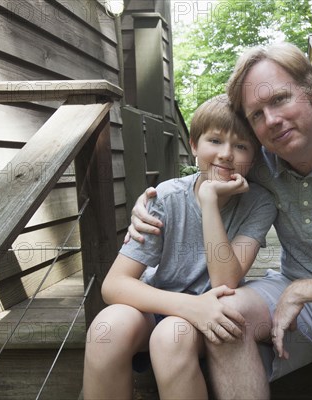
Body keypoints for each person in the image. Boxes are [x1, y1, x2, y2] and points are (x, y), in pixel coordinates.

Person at [128, 42, 312, 399]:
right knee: (226, 312)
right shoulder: (259, 161)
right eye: (256, 114)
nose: (272, 121)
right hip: (289, 288)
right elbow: (206, 173)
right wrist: (150, 201)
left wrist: (303, 291)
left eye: (280, 99)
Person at [83, 94, 277, 399]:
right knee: (106, 329)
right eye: (215, 140)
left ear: (254, 157)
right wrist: (189, 306)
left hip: (212, 313)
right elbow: (114, 285)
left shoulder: (259, 203)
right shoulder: (165, 198)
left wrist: (210, 201)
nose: (226, 154)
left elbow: (224, 281)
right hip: (160, 302)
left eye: (241, 146)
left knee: (171, 336)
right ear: (194, 145)